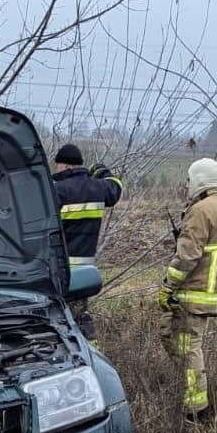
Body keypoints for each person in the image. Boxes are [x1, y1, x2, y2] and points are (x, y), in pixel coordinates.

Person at [157, 157, 217, 422]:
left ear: (200, 180)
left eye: (190, 180)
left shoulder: (201, 210)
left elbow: (187, 256)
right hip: (212, 291)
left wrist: (167, 285)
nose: (186, 185)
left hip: (193, 292)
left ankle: (195, 411)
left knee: (187, 347)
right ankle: (191, 394)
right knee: (176, 339)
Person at [52, 143, 122, 336]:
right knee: (80, 316)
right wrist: (101, 171)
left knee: (60, 319)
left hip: (61, 269)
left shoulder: (58, 191)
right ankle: (92, 354)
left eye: (57, 165)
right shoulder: (98, 187)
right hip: (85, 272)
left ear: (65, 165)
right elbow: (116, 187)